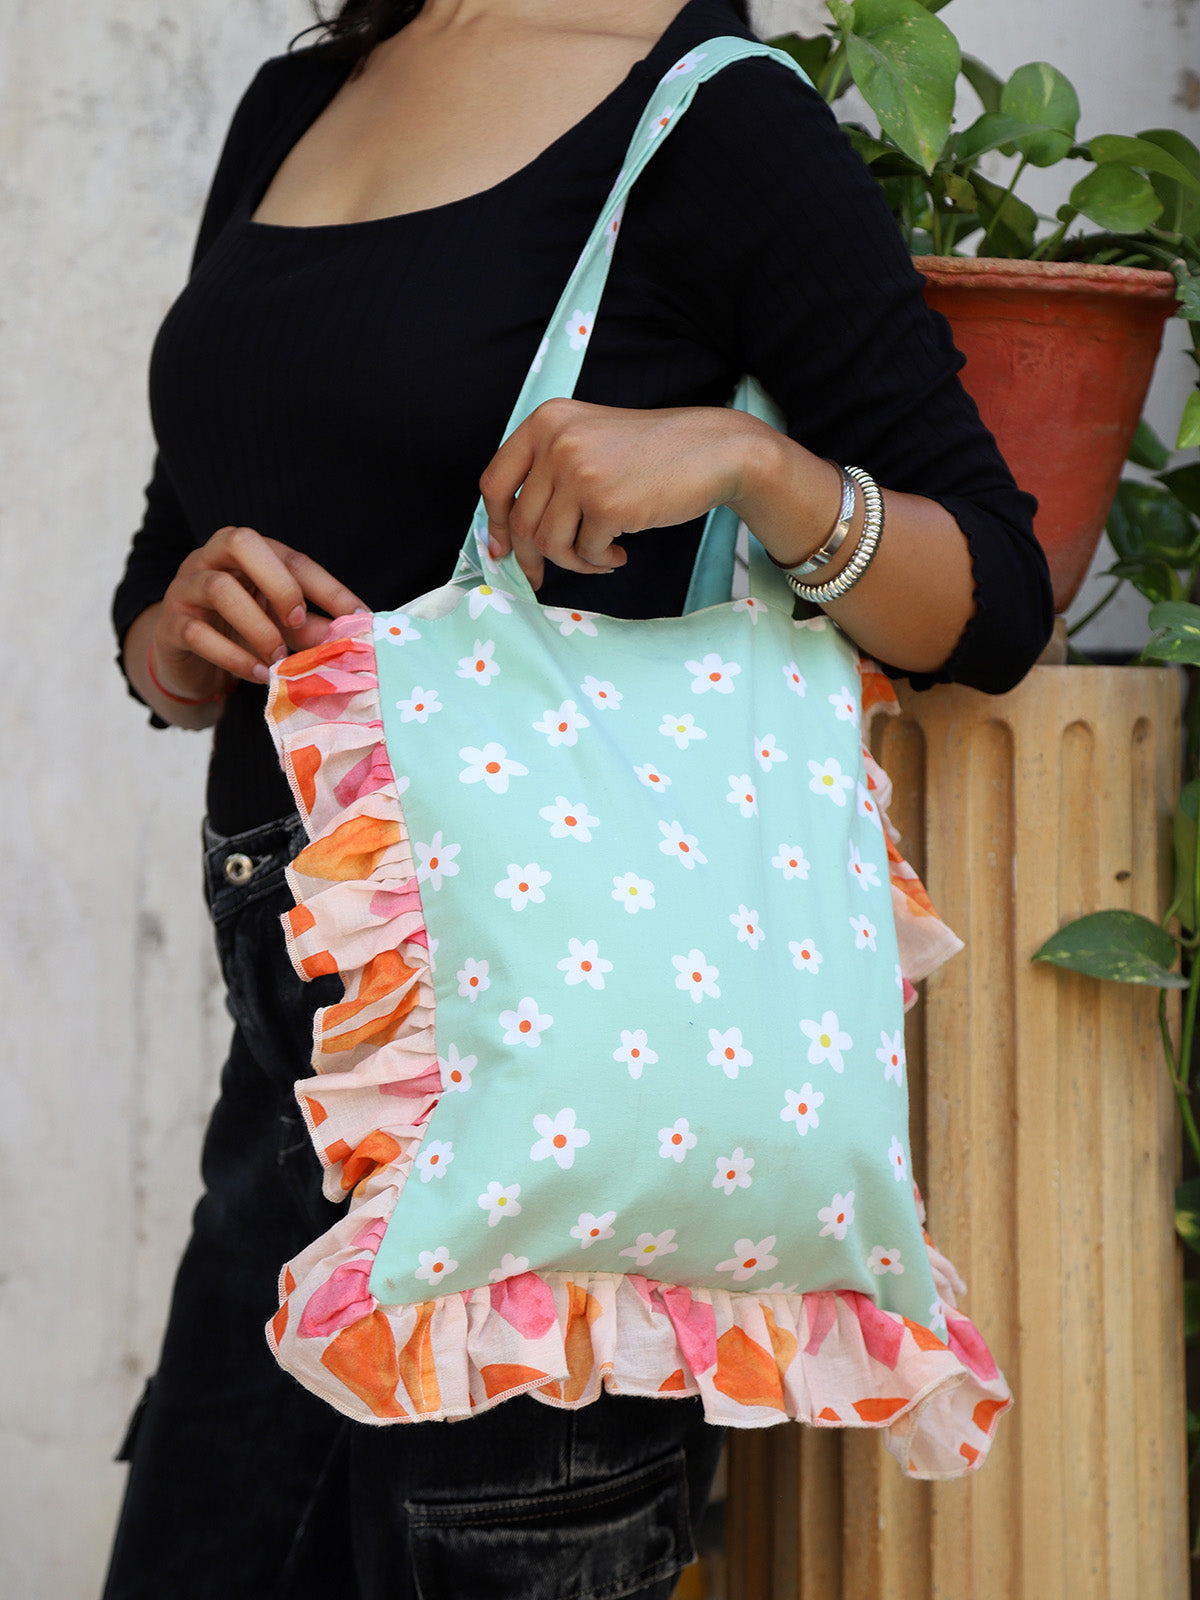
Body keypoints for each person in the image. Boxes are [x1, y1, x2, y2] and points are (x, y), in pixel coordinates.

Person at [103, 0, 1053, 1595]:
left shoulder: (715, 116)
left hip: (562, 1086)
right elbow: (167, 552)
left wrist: (752, 471)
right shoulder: (300, 100)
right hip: (297, 1083)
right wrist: (172, 634)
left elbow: (999, 598)